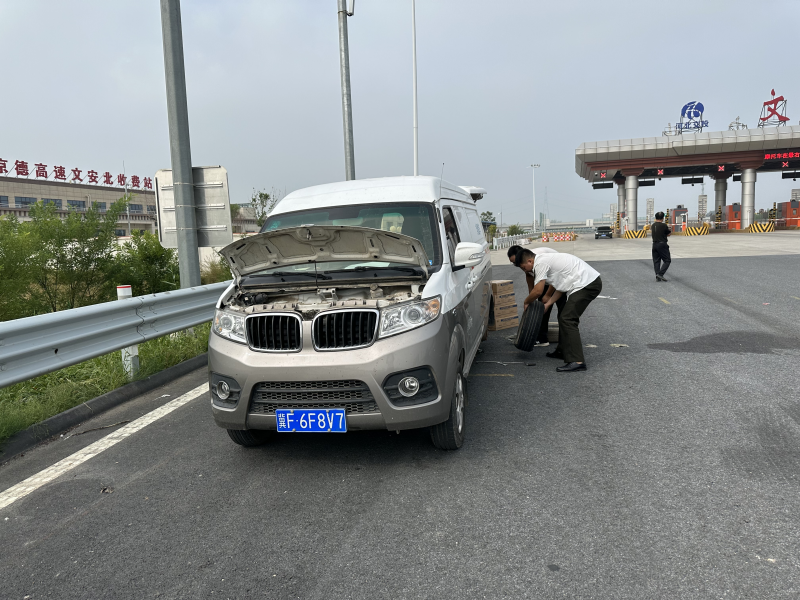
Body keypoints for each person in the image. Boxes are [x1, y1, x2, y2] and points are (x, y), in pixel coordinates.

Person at [516, 249, 602, 372]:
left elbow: (538, 291)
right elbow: (561, 287)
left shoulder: (540, 263)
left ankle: (577, 361)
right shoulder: (545, 262)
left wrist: (526, 302)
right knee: (564, 316)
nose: (525, 271)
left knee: (567, 318)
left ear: (530, 261)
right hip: (583, 283)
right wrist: (548, 304)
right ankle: (563, 351)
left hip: (588, 284)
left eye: (524, 267)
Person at [506, 245, 559, 346]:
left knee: (560, 308)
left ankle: (560, 339)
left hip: (559, 278)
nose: (516, 265)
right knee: (541, 306)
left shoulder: (539, 258)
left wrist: (548, 295)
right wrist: (532, 298)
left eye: (516, 262)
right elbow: (529, 277)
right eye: (513, 263)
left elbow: (556, 279)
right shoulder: (527, 261)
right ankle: (542, 338)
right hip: (547, 279)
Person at [651, 211, 671, 282]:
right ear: (662, 218)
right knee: (667, 260)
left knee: (656, 261)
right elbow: (668, 233)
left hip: (654, 244)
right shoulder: (664, 225)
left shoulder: (653, 225)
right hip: (662, 244)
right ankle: (660, 274)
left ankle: (657, 276)